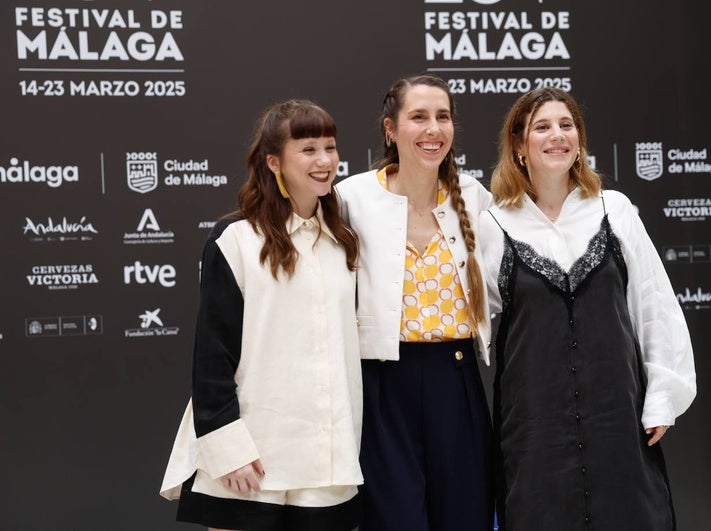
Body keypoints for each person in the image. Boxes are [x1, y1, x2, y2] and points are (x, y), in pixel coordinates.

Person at [479, 87, 697, 530]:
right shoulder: (493, 224)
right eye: (542, 127)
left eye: (567, 125)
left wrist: (661, 397)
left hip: (617, 419)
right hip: (535, 427)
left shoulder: (613, 210)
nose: (557, 135)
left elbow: (653, 304)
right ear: (519, 147)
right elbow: (473, 319)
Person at [160, 100, 363, 531]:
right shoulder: (235, 239)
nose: (325, 160)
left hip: (327, 460)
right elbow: (211, 357)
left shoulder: (344, 242)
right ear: (274, 161)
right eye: (308, 149)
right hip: (251, 457)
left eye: (330, 147)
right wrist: (226, 447)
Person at [336, 74, 494, 531]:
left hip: (457, 377)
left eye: (442, 117)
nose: (433, 129)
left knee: (466, 516)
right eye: (418, 117)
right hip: (383, 385)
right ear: (391, 129)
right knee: (394, 519)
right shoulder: (352, 197)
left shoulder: (474, 196)